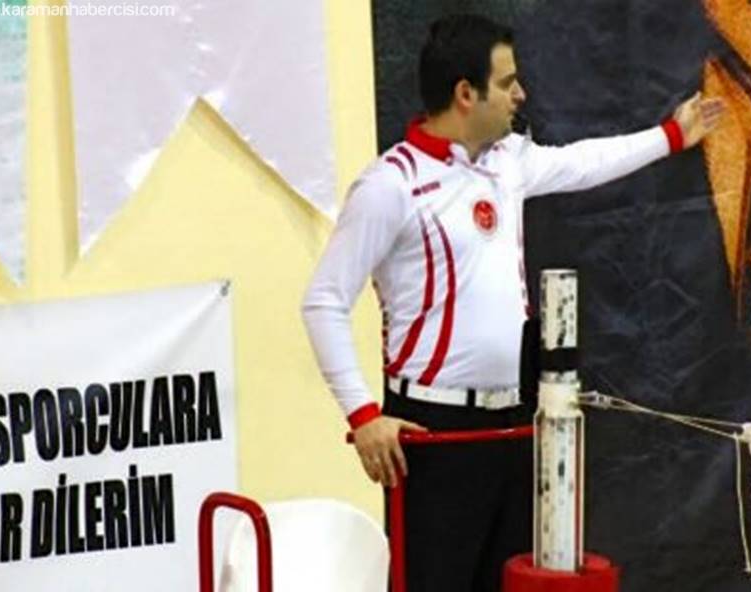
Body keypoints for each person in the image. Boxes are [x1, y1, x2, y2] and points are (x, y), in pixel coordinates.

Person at [302, 13, 724, 591]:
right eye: (506, 83)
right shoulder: (390, 186)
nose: (521, 94)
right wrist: (363, 415)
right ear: (465, 94)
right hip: (435, 433)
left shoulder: (509, 163)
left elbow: (583, 163)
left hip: (511, 425)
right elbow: (324, 300)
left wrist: (670, 136)